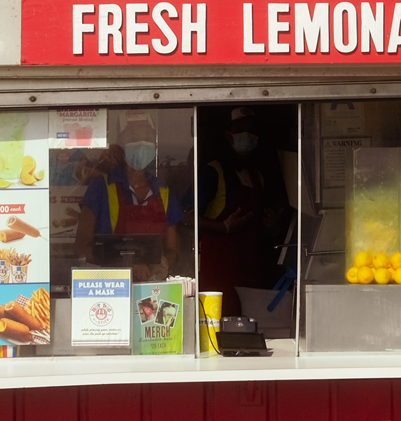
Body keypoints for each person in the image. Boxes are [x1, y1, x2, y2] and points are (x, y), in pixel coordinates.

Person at [73, 113, 183, 282]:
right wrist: (125, 263)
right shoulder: (101, 187)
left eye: (147, 136)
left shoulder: (164, 192)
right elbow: (81, 247)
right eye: (133, 136)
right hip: (109, 286)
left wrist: (160, 263)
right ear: (121, 143)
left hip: (151, 287)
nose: (142, 143)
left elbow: (172, 250)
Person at [196, 107, 284, 310]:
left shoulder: (258, 177)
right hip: (218, 272)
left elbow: (262, 225)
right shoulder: (212, 172)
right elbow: (186, 217)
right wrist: (224, 227)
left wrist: (273, 228)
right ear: (228, 135)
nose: (247, 135)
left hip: (250, 270)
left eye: (251, 130)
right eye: (240, 129)